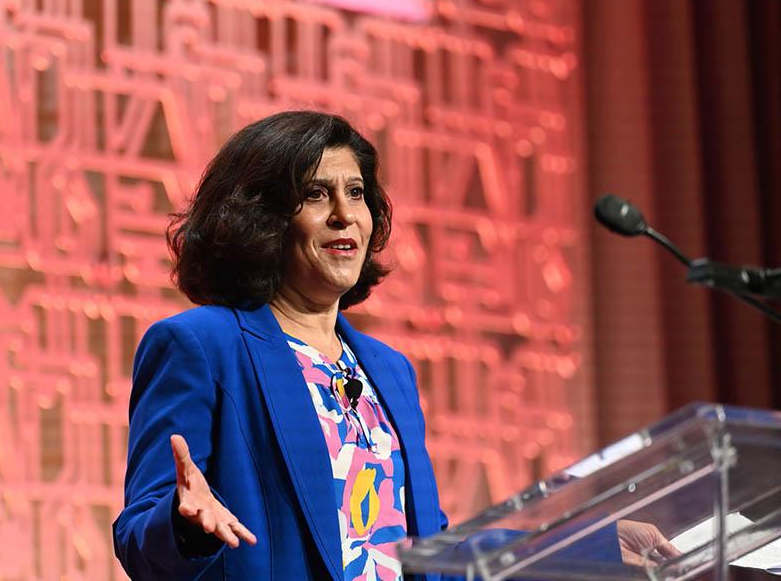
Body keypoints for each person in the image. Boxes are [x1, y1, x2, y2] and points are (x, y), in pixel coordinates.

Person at [111, 111, 676, 580]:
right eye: (315, 194)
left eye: (355, 193)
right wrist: (182, 526)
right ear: (263, 219)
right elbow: (138, 540)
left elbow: (429, 553)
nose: (344, 215)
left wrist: (589, 546)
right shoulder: (201, 346)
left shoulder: (389, 370)